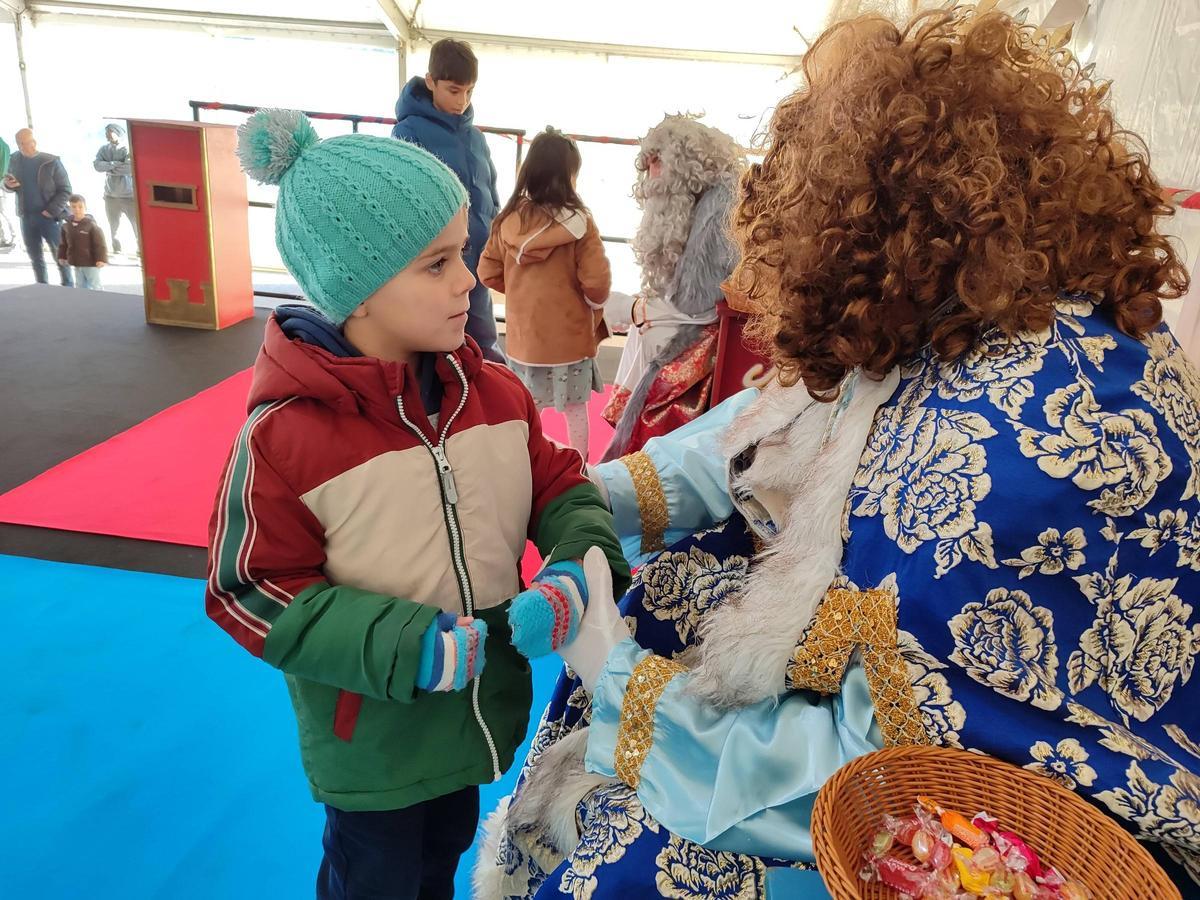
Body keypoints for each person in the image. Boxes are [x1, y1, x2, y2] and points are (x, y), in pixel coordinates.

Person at [477, 6, 1200, 897]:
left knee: (630, 856)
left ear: (866, 226)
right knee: (675, 590)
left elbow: (877, 778)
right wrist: (597, 492)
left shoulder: (996, 450)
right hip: (935, 713)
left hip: (1026, 812)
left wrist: (620, 681)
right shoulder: (998, 316)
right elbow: (776, 423)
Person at [207, 108, 628, 900]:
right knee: (376, 880)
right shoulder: (284, 439)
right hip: (372, 747)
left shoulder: (495, 395)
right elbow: (250, 590)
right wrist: (406, 646)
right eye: (437, 264)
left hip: (475, 722)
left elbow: (564, 486)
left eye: (463, 253)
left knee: (441, 864)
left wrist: (576, 567)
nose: (468, 279)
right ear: (357, 289)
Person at [600, 115, 744, 461]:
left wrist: (636, 310)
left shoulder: (718, 209)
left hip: (710, 344)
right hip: (700, 325)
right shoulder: (705, 199)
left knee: (649, 339)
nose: (651, 175)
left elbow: (699, 302)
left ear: (682, 163)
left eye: (656, 161)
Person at [478, 130, 611, 458]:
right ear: (569, 175)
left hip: (525, 342)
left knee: (527, 409)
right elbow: (596, 281)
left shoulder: (508, 220)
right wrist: (591, 304)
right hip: (570, 341)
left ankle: (528, 461)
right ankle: (579, 466)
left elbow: (487, 272)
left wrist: (520, 292)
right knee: (576, 409)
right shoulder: (579, 223)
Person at [392, 38, 505, 365]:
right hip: (438, 262)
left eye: (469, 91)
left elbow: (490, 192)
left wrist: (497, 241)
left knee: (484, 341)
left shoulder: (476, 137)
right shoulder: (408, 132)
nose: (462, 100)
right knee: (440, 345)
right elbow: (405, 200)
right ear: (431, 81)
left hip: (479, 260)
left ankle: (492, 391)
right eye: (454, 90)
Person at [2, 128, 73, 286]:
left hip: (50, 218)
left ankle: (68, 287)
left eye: (24, 143)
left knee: (60, 257)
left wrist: (51, 211)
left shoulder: (51, 161)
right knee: (36, 259)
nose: (21, 147)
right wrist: (7, 185)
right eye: (19, 143)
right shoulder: (14, 159)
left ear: (33, 142)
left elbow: (66, 190)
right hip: (26, 217)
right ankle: (42, 288)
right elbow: (6, 184)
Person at [93, 123, 138, 255]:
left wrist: (109, 168)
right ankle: (116, 248)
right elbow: (97, 166)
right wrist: (114, 164)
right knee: (113, 226)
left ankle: (140, 249)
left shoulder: (128, 148)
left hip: (129, 195)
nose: (107, 135)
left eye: (110, 132)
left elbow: (129, 167)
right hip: (110, 195)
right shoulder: (104, 149)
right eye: (106, 132)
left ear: (118, 132)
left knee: (136, 225)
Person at [57, 194, 107, 290]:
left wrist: (101, 259)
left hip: (91, 263)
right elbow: (63, 244)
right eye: (74, 207)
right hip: (77, 263)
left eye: (80, 207)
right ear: (70, 208)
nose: (77, 210)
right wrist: (62, 256)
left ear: (85, 207)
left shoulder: (91, 225)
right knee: (80, 286)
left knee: (95, 285)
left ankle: (99, 299)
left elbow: (100, 244)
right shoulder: (66, 226)